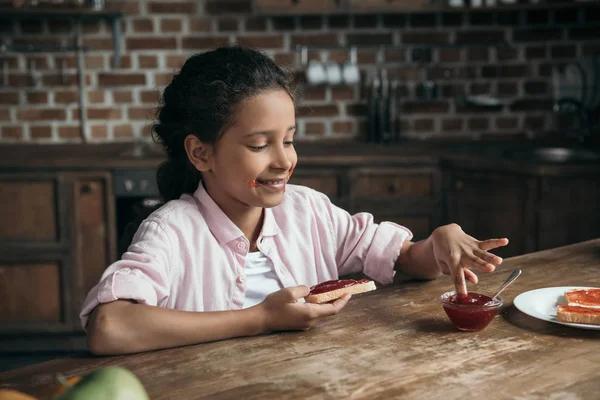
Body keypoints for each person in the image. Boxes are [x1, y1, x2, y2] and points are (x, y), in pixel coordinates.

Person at [81, 47, 508, 356]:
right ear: (201, 153)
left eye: (289, 139)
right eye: (259, 144)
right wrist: (262, 319)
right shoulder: (172, 230)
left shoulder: (309, 210)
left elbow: (404, 259)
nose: (285, 160)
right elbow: (110, 327)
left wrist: (439, 243)